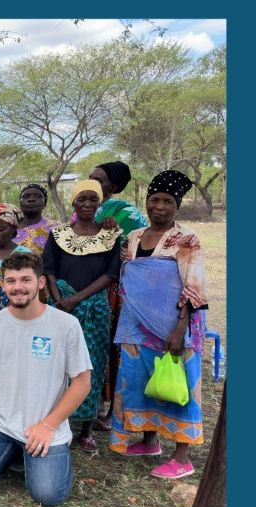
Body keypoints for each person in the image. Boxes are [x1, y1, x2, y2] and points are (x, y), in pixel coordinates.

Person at [0, 252, 92, 507]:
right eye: (11, 281)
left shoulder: (66, 325)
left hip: (45, 426)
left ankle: (43, 457)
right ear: (2, 285)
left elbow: (82, 382)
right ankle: (15, 452)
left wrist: (48, 426)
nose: (18, 287)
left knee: (47, 496)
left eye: (25, 280)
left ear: (41, 283)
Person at [110, 170, 207, 480]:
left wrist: (180, 329)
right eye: (155, 200)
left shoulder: (187, 238)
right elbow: (131, 278)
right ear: (146, 202)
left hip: (173, 325)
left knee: (178, 385)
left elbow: (193, 284)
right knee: (138, 381)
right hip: (136, 324)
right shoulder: (134, 237)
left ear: (176, 206)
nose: (160, 206)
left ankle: (182, 456)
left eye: (167, 201)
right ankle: (149, 441)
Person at [43, 180, 121, 453]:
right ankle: (54, 418)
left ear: (99, 203)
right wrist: (57, 299)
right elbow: (49, 268)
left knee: (91, 363)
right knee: (55, 362)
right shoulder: (59, 234)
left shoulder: (110, 235)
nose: (87, 204)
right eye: (81, 199)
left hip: (93, 307)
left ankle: (86, 428)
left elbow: (111, 273)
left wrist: (76, 299)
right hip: (60, 304)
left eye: (92, 199)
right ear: (73, 202)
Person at [88, 161, 147, 431]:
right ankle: (93, 403)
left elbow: (135, 250)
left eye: (99, 179)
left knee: (115, 348)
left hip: (117, 289)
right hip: (88, 285)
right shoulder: (84, 208)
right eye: (90, 178)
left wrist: (111, 232)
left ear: (114, 185)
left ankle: (115, 411)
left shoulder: (127, 213)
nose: (93, 183)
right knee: (94, 345)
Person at [14, 184, 58, 255]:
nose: (31, 199)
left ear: (45, 203)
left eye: (38, 196)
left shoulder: (55, 228)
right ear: (20, 203)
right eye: (26, 196)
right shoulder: (9, 227)